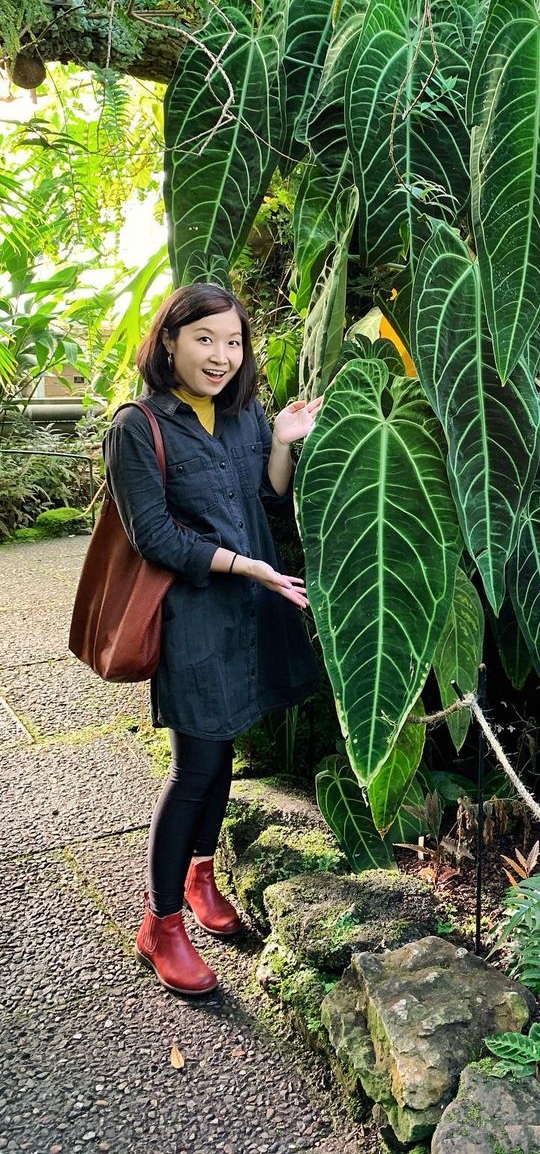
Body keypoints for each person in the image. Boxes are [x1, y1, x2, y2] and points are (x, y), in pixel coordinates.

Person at [102, 282, 322, 996]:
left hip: (249, 614)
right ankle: (160, 922)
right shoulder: (137, 426)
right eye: (205, 339)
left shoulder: (243, 414)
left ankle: (202, 878)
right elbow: (155, 537)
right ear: (169, 341)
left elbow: (264, 496)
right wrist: (242, 565)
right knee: (194, 766)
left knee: (223, 750)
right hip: (194, 617)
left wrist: (282, 444)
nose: (222, 356)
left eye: (233, 342)